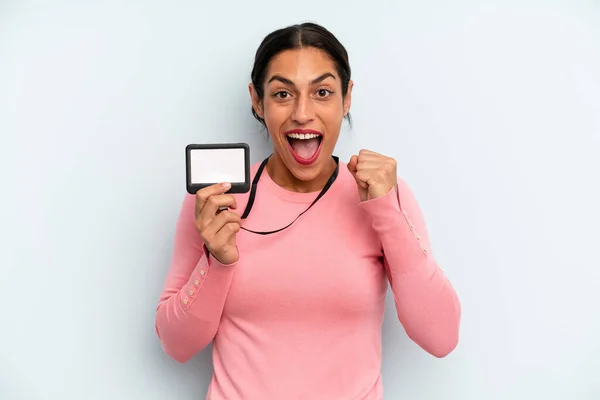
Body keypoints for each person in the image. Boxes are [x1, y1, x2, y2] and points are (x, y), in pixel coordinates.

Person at [155, 22, 461, 400]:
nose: (302, 113)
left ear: (347, 98)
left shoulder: (384, 196)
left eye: (322, 92)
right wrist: (217, 262)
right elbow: (176, 345)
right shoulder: (217, 202)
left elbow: (441, 336)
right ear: (257, 100)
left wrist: (387, 212)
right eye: (283, 93)